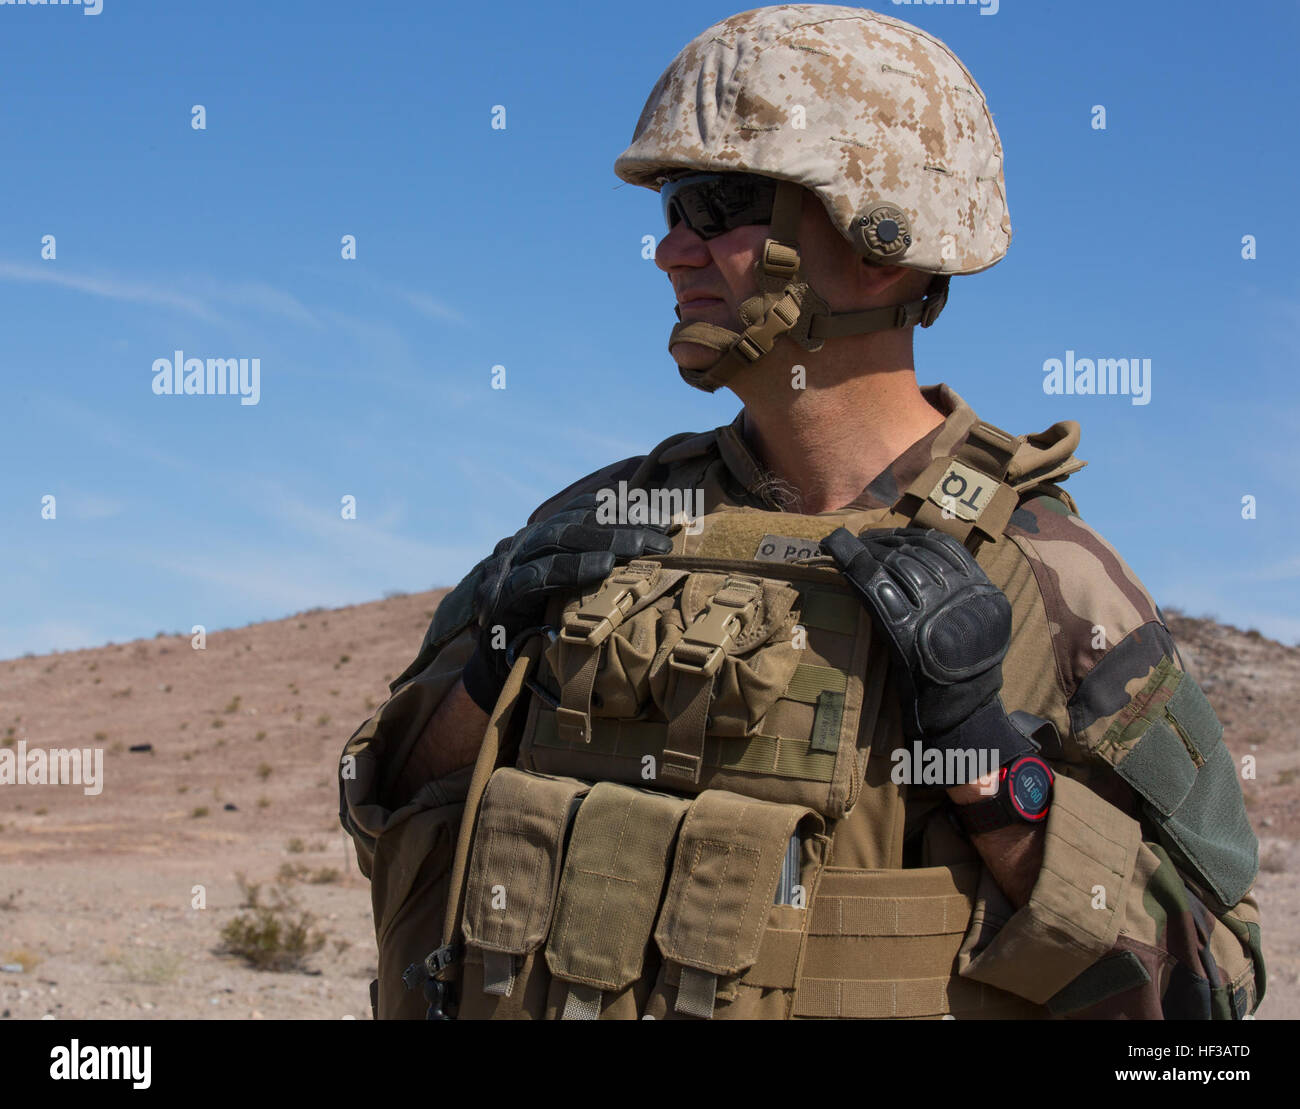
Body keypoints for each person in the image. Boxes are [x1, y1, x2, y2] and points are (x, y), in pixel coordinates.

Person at [339, 4, 1264, 1020]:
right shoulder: (598, 519)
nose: (670, 253)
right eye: (668, 212)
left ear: (881, 246)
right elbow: (392, 811)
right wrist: (488, 666)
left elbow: (1206, 990)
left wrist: (987, 761)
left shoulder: (1048, 575)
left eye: (717, 205)